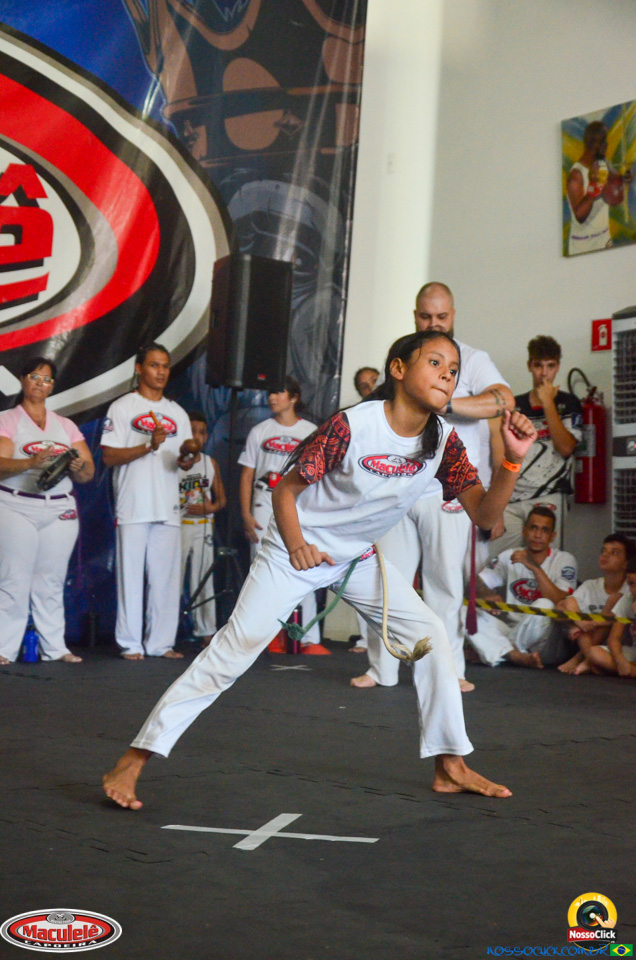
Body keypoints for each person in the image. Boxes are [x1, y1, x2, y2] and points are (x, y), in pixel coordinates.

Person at [102, 329, 538, 810]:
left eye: (453, 370)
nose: (447, 376)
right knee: (233, 651)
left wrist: (512, 462)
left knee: (431, 636)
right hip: (295, 548)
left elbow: (485, 516)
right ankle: (134, 758)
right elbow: (285, 491)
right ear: (398, 369)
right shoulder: (353, 426)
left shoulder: (443, 442)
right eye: (434, 363)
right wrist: (297, 546)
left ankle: (450, 764)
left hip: (357, 558)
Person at [352, 282, 514, 692]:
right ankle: (382, 668)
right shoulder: (406, 357)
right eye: (426, 316)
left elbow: (503, 399)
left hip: (452, 491)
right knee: (386, 581)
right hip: (399, 484)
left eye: (441, 316)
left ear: (453, 315)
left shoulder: (472, 360)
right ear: (415, 317)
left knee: (445, 586)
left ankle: (449, 671)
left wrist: (445, 401)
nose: (434, 323)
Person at [101, 343, 199, 660]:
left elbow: (181, 460)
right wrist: (148, 445)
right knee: (130, 577)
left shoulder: (177, 413)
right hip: (133, 503)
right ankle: (130, 643)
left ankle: (160, 643)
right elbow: (108, 456)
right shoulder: (123, 407)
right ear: (139, 368)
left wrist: (187, 458)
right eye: (154, 365)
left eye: (165, 366)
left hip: (168, 504)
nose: (161, 372)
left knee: (166, 580)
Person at [0, 356, 95, 664]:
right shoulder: (9, 419)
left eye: (46, 379)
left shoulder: (65, 425)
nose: (40, 384)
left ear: (52, 386)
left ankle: (55, 647)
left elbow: (88, 474)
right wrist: (30, 462)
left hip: (58, 508)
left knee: (51, 581)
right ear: (23, 380)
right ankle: (4, 648)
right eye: (34, 377)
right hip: (16, 505)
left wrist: (79, 466)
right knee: (14, 579)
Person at [238, 376, 328, 654]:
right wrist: (245, 514)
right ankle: (266, 636)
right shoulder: (260, 430)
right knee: (262, 569)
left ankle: (308, 638)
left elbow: (323, 475)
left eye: (278, 392)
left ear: (293, 397)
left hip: (301, 505)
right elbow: (247, 474)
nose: (271, 398)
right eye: (270, 393)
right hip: (264, 501)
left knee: (306, 565)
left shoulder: (311, 431)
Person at [491, 336, 583, 557]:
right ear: (530, 366)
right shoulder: (515, 405)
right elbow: (499, 456)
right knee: (502, 561)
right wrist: (496, 507)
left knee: (545, 562)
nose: (544, 373)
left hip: (550, 496)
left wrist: (548, 402)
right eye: (538, 365)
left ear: (558, 367)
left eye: (550, 366)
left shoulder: (569, 403)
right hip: (512, 498)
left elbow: (566, 448)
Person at [468, 506, 577, 669]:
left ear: (552, 536)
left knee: (545, 605)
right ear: (524, 531)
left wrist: (535, 568)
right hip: (513, 628)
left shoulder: (564, 560)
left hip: (548, 641)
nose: (537, 535)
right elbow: (476, 582)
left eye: (544, 530)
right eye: (533, 528)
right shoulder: (509, 556)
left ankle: (501, 651)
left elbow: (562, 600)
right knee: (466, 610)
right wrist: (487, 593)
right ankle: (515, 655)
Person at [179, 411, 227, 647]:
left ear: (207, 437)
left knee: (203, 580)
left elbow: (222, 500)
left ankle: (206, 629)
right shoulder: (175, 462)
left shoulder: (210, 463)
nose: (197, 437)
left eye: (201, 432)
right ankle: (167, 630)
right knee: (173, 580)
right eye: (192, 432)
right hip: (179, 526)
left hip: (203, 526)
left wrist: (210, 507)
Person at [558, 534, 634, 676]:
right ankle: (590, 660)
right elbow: (562, 606)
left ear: (626, 563)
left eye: (614, 552)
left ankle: (582, 660)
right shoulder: (589, 585)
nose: (605, 555)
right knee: (571, 605)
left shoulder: (630, 587)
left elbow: (611, 619)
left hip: (617, 645)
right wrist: (579, 622)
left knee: (607, 616)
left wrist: (591, 623)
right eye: (603, 551)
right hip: (589, 642)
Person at [566, 121, 632, 256]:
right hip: (583, 245)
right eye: (603, 141)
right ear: (593, 143)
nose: (606, 145)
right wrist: (594, 184)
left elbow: (614, 193)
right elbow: (580, 216)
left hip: (604, 239)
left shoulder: (604, 163)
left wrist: (624, 181)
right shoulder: (576, 174)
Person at [585, 556, 636, 679]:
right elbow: (614, 638)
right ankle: (629, 669)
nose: (634, 589)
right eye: (631, 584)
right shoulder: (628, 599)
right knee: (594, 653)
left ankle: (629, 670)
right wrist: (620, 661)